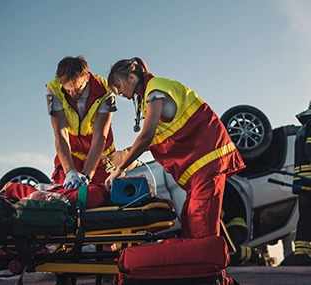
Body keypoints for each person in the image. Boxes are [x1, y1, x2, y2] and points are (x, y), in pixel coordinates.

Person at [104, 57, 245, 239]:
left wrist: (120, 169)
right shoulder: (150, 95)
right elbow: (159, 137)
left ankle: (210, 267)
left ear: (131, 78)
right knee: (188, 218)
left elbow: (146, 137)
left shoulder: (155, 90)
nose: (119, 93)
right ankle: (202, 265)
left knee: (201, 222)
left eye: (118, 86)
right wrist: (126, 154)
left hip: (207, 161)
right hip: (199, 167)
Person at [46, 56, 117, 189]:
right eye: (68, 89)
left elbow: (99, 137)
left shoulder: (106, 90)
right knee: (64, 191)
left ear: (87, 77)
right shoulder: (53, 89)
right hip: (72, 149)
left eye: (78, 88)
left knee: (105, 191)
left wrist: (87, 175)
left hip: (101, 151)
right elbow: (60, 134)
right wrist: (69, 171)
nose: (73, 94)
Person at [292, 100, 311, 266]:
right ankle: (303, 255)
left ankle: (302, 253)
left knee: (306, 216)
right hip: (309, 179)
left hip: (302, 181)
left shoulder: (302, 128)